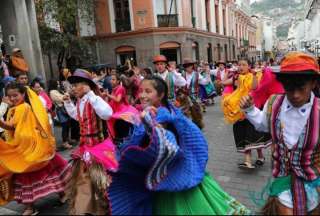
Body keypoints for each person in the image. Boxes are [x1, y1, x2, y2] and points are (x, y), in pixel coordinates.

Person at [107, 75, 251, 215]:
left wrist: (149, 125)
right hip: (164, 177)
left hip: (175, 177)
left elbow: (165, 144)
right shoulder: (156, 112)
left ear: (161, 95)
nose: (142, 95)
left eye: (148, 91)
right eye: (141, 91)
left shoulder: (163, 115)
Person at [240, 52, 320, 215]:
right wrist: (249, 109)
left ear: (312, 83)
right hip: (282, 181)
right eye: (290, 89)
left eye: (301, 88)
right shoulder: (274, 103)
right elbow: (264, 124)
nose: (295, 95)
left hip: (314, 184)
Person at [0, 82, 70, 215]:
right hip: (31, 147)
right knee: (50, 172)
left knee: (28, 175)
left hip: (31, 148)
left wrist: (1, 121)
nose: (13, 98)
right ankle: (60, 195)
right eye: (10, 96)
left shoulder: (22, 108)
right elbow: (12, 127)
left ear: (23, 94)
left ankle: (31, 207)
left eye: (16, 95)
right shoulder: (17, 108)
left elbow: (10, 125)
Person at [63, 69, 117, 215]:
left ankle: (107, 208)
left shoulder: (95, 99)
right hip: (85, 148)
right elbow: (78, 117)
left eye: (76, 85)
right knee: (84, 182)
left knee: (104, 183)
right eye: (72, 85)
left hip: (99, 149)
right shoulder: (81, 101)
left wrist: (91, 94)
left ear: (86, 85)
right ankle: (86, 209)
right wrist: (68, 103)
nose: (73, 88)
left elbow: (107, 114)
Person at [222, 60, 270, 169]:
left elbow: (254, 87)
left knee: (254, 134)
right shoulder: (236, 77)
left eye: (244, 65)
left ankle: (261, 156)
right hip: (239, 111)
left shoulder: (254, 76)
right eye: (239, 65)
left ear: (249, 67)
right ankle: (248, 161)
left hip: (252, 109)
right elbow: (223, 83)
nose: (241, 67)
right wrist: (227, 72)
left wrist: (253, 75)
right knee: (243, 134)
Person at [181, 59, 210, 129]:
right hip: (184, 97)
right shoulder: (182, 74)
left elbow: (205, 82)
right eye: (187, 66)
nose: (188, 67)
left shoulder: (197, 74)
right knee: (184, 113)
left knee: (196, 114)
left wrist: (207, 73)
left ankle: (197, 126)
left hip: (194, 97)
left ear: (192, 66)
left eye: (190, 66)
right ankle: (186, 128)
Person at [48, 80, 73, 149]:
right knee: (64, 125)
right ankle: (64, 142)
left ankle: (67, 139)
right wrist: (67, 93)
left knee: (67, 124)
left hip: (63, 109)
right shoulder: (52, 92)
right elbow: (62, 98)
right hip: (60, 110)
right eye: (57, 83)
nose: (58, 85)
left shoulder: (57, 90)